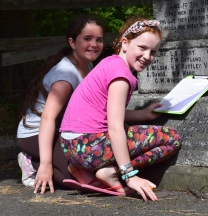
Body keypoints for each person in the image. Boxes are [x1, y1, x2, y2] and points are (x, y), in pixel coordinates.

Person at [59, 18, 182, 201]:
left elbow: (105, 112)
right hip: (90, 146)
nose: (147, 56)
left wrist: (143, 114)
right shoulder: (121, 75)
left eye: (153, 52)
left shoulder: (110, 63)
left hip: (70, 146)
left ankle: (81, 168)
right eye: (142, 48)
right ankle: (111, 172)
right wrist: (129, 175)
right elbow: (114, 127)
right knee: (172, 138)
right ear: (124, 43)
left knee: (124, 129)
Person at [16, 14, 105, 194]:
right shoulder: (66, 76)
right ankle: (32, 162)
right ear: (72, 42)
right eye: (87, 39)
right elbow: (48, 118)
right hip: (36, 133)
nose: (94, 44)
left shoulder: (88, 64)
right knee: (72, 178)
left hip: (64, 130)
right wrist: (46, 164)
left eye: (99, 39)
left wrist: (141, 113)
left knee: (91, 165)